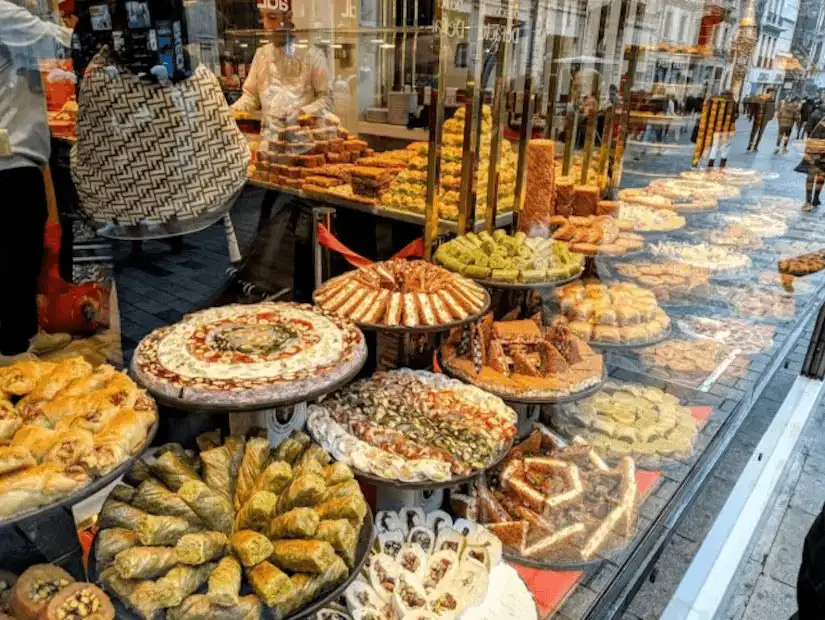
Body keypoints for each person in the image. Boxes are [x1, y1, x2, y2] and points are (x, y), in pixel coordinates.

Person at [0, 0, 74, 363]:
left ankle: (26, 334)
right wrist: (94, 38)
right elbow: (50, 43)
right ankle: (13, 352)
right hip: (8, 158)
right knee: (18, 253)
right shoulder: (2, 13)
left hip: (14, 154)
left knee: (22, 251)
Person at [231, 0, 331, 125]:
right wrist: (231, 111)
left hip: (302, 136)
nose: (266, 25)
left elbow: (326, 98)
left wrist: (301, 113)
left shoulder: (313, 55)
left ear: (288, 17)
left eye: (272, 17)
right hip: (269, 137)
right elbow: (251, 96)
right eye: (263, 17)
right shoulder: (261, 54)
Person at [794, 106, 825, 211]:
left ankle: (811, 200)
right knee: (818, 174)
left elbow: (809, 129)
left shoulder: (816, 114)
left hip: (814, 147)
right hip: (817, 147)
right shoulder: (819, 117)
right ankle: (811, 200)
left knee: (815, 174)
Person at [747, 87, 776, 152]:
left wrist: (751, 116)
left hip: (759, 117)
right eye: (772, 93)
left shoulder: (761, 98)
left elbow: (772, 110)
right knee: (759, 132)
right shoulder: (767, 100)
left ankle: (751, 145)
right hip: (762, 118)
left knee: (755, 132)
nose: (773, 94)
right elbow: (772, 110)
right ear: (770, 92)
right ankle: (754, 146)